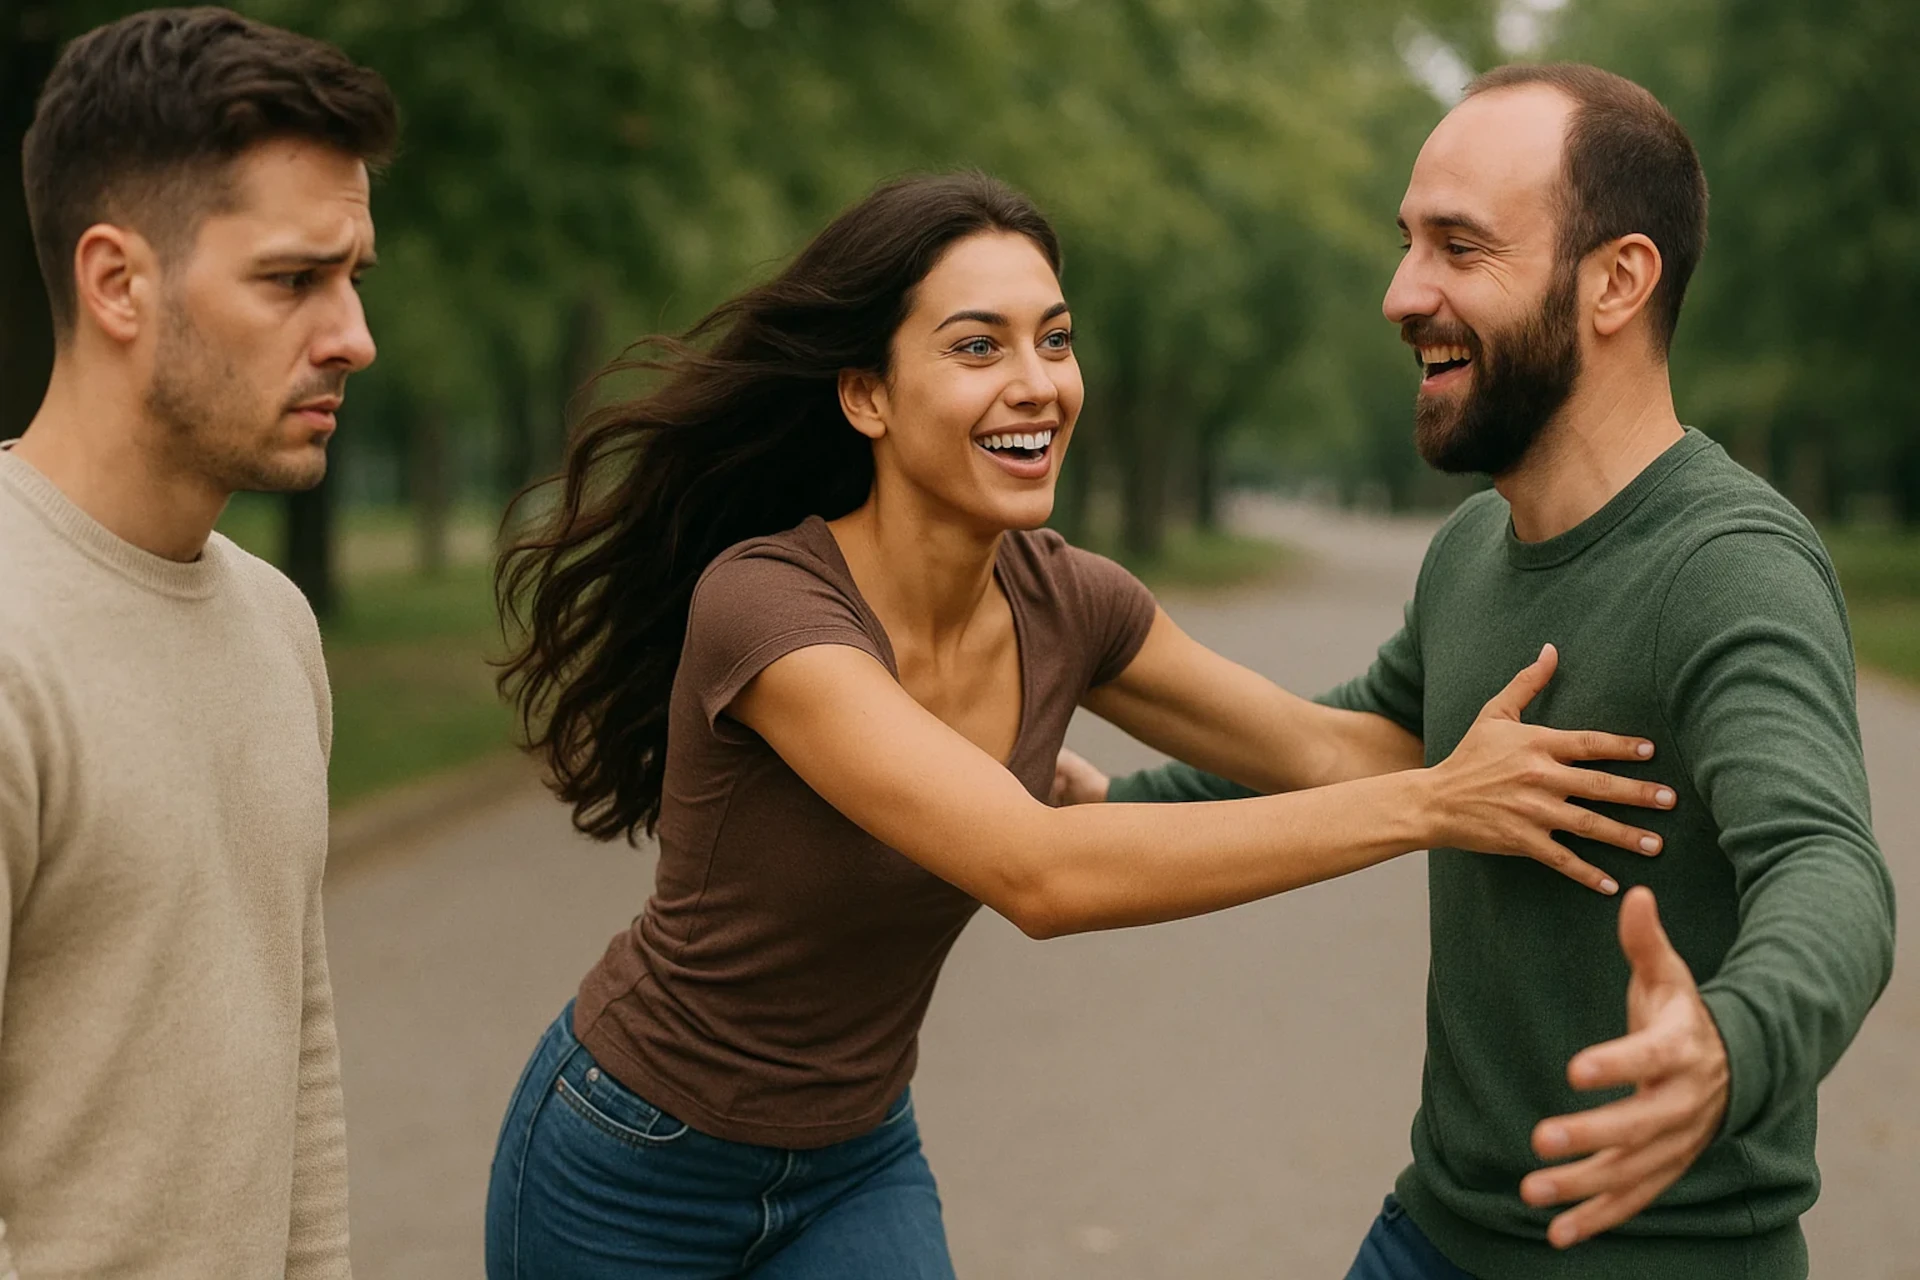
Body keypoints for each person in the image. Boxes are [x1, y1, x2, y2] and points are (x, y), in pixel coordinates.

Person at [483, 170, 1678, 1280]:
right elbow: (1038, 871)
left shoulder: (1069, 602)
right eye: (976, 345)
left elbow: (1321, 750)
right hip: (631, 1155)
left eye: (1054, 338)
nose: (1037, 381)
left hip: (852, 1161)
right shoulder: (769, 605)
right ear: (866, 396)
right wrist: (1433, 804)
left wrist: (1616, 730)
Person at [1056, 64, 1895, 1280]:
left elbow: (1832, 867)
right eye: (1407, 244)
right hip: (1433, 1233)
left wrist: (1728, 1041)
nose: (1402, 294)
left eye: (1458, 246)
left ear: (1618, 280)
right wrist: (1112, 808)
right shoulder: (1472, 550)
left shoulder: (1729, 565)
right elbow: (1365, 747)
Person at [0, 9, 393, 1277]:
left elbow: (301, 1053)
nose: (352, 335)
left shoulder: (275, 625)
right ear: (118, 281)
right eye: (293, 280)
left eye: (354, 278)